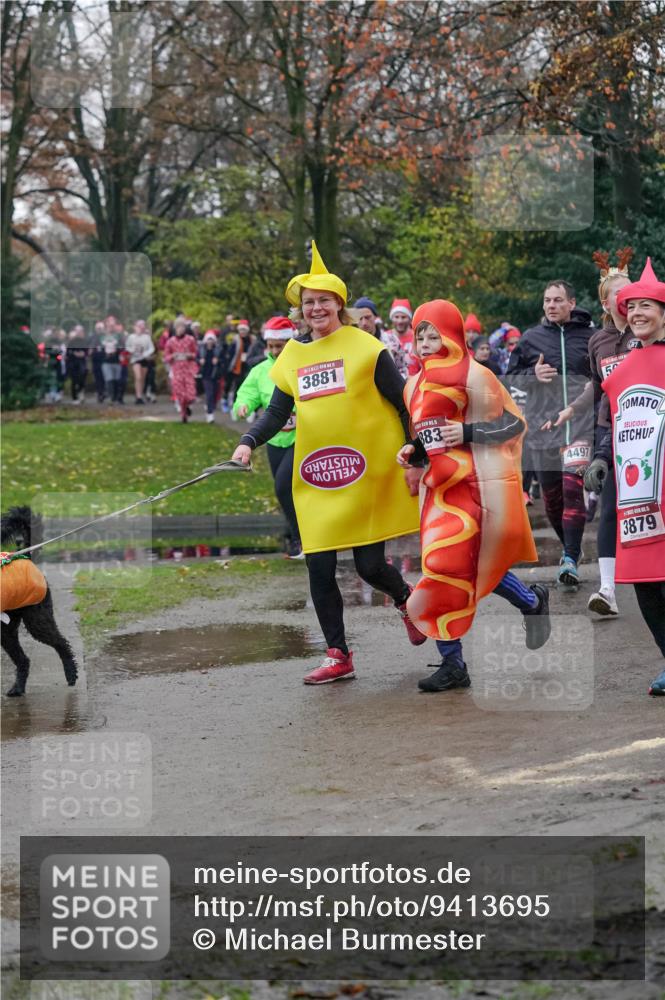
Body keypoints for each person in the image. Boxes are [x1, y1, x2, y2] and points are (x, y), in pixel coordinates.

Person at [228, 241, 421, 684]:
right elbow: (277, 412)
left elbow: (403, 402)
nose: (315, 309)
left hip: (367, 473)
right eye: (307, 303)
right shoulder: (293, 356)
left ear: (339, 304)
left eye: (323, 301)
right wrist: (247, 442)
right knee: (319, 566)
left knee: (370, 567)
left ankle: (406, 599)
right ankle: (338, 654)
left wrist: (417, 452)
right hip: (316, 476)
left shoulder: (367, 348)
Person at [397, 300, 550, 693]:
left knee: (447, 566)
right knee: (456, 565)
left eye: (434, 334)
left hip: (476, 486)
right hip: (437, 491)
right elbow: (427, 435)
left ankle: (454, 662)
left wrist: (466, 434)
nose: (427, 342)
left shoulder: (476, 376)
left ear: (453, 334)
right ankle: (529, 603)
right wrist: (411, 450)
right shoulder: (411, 384)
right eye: (420, 335)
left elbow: (514, 425)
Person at [584, 258, 665, 696]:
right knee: (646, 583)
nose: (636, 314)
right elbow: (608, 416)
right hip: (637, 493)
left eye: (646, 307)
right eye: (631, 308)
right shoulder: (621, 368)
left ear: (663, 314)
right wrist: (599, 457)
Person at [547, 248, 635, 617]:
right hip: (613, 435)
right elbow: (599, 391)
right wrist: (576, 416)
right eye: (620, 294)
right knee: (610, 513)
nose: (628, 299)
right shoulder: (598, 342)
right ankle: (607, 590)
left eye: (631, 291)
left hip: (650, 436)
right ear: (606, 301)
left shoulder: (648, 335)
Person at [505, 280, 594, 590]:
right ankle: (572, 546)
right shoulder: (530, 339)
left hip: (580, 427)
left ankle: (569, 557)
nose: (551, 305)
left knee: (572, 490)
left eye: (558, 300)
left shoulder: (589, 337)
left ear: (571, 303)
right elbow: (508, 378)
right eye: (547, 300)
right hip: (543, 430)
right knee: (553, 502)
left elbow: (603, 375)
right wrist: (534, 375)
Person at [232, 317, 302, 557]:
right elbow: (247, 394)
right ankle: (297, 536)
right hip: (274, 440)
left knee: (284, 487)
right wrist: (243, 406)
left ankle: (299, 540)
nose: (274, 351)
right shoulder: (261, 371)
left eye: (279, 346)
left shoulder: (302, 364)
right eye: (270, 346)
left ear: (289, 343)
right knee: (284, 490)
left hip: (302, 439)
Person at [163, 319, 198, 422]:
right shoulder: (171, 341)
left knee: (190, 393)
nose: (180, 329)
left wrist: (189, 355)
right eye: (178, 327)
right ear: (175, 328)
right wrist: (173, 356)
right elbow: (166, 357)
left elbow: (196, 353)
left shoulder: (190, 339)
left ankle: (187, 406)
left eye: (182, 327)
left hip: (188, 369)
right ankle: (184, 414)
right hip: (177, 369)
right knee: (180, 393)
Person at [383, 299, 417, 376]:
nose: (400, 321)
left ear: (409, 318)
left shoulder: (418, 337)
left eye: (403, 317)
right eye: (396, 317)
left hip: (415, 384)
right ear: (392, 318)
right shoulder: (385, 337)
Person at [125, 319, 155, 405]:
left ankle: (140, 395)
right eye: (139, 326)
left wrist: (146, 353)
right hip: (135, 359)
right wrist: (132, 350)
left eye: (142, 326)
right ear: (135, 327)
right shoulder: (131, 337)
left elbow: (151, 348)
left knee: (142, 378)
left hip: (144, 359)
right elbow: (127, 346)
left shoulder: (147, 337)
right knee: (138, 377)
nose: (141, 327)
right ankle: (138, 396)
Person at [226, 319, 253, 414]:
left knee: (248, 387)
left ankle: (247, 409)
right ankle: (235, 406)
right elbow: (231, 353)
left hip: (248, 366)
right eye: (241, 330)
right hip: (237, 366)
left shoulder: (252, 339)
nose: (242, 332)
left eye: (244, 330)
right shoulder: (235, 339)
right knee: (237, 387)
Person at [198, 330, 223, 423]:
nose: (210, 342)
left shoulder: (217, 349)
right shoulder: (201, 349)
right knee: (209, 393)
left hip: (215, 375)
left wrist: (218, 361)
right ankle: (210, 414)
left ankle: (210, 406)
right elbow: (196, 358)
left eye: (211, 340)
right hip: (205, 375)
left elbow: (223, 360)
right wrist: (200, 361)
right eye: (208, 339)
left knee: (215, 394)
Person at [65, 325, 88, 404]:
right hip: (73, 364)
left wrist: (83, 354)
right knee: (74, 381)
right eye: (78, 331)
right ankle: (74, 398)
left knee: (82, 380)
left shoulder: (85, 341)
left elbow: (87, 352)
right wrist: (75, 353)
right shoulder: (72, 342)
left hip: (82, 364)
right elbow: (68, 353)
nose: (79, 333)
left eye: (80, 331)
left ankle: (81, 393)